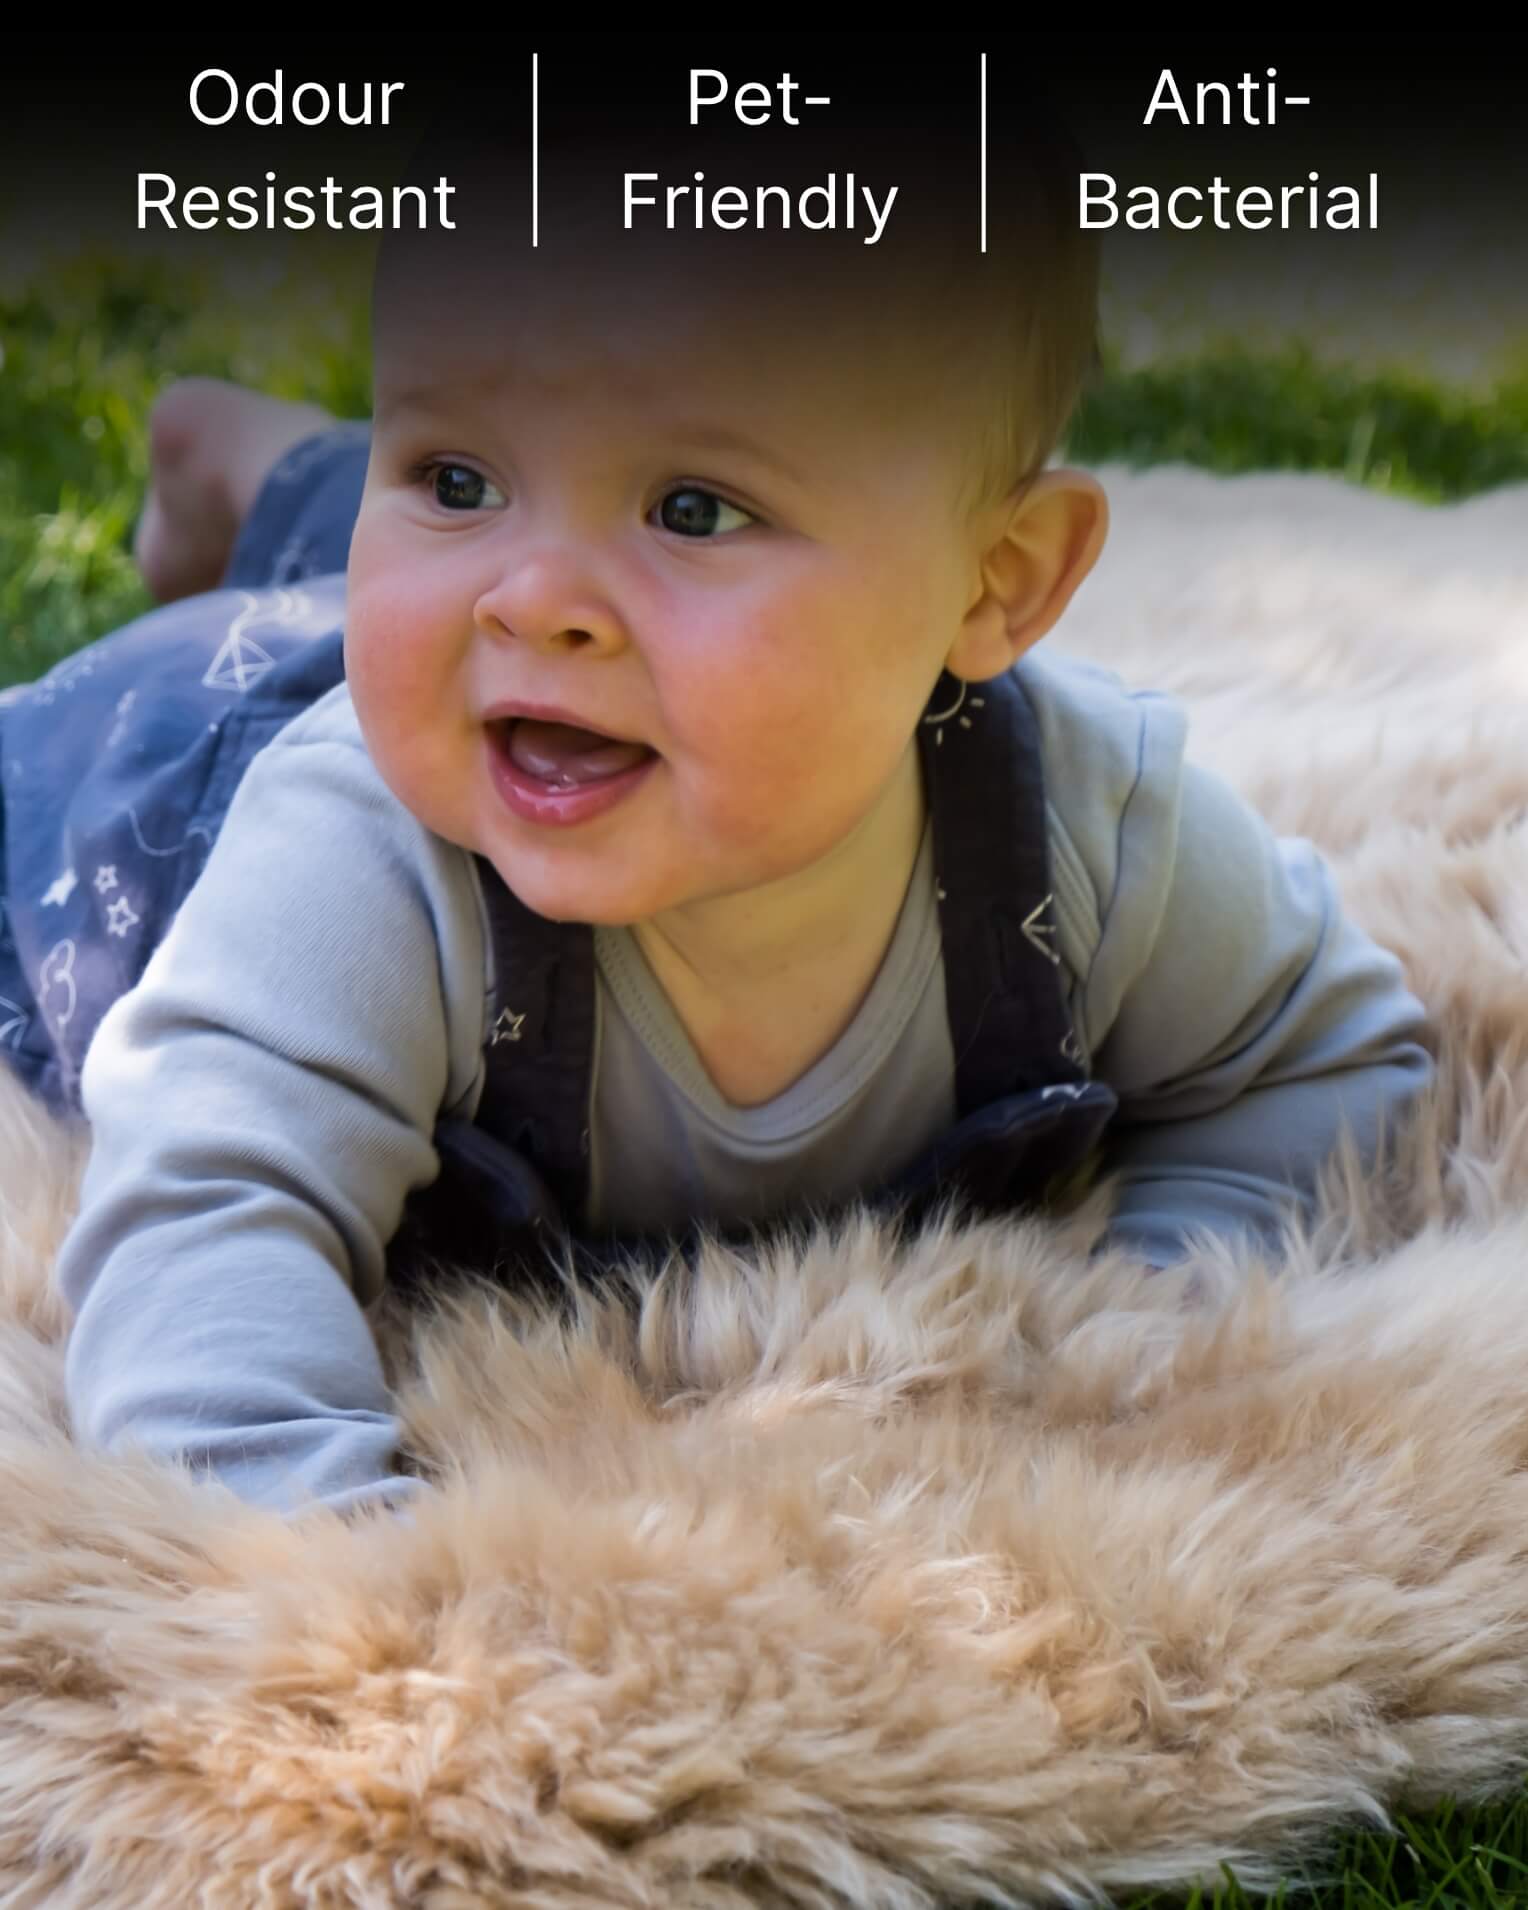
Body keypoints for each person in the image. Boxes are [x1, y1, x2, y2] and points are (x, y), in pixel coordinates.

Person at [0, 109, 1432, 1521]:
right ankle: (280, 471)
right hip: (145, 773)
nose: (538, 593)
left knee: (463, 586)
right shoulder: (359, 855)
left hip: (464, 687)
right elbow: (197, 1223)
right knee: (343, 632)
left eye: (693, 508)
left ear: (998, 582)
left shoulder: (1087, 830)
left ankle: (305, 469)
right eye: (447, 472)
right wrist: (363, 1594)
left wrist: (1157, 1316)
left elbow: (1319, 1063)